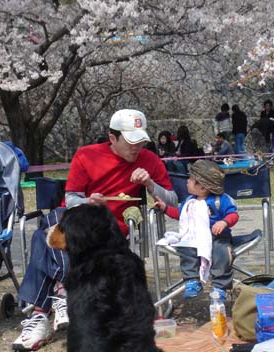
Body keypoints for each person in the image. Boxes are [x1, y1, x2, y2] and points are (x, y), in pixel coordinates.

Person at [13, 109, 177, 351]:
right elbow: (70, 199)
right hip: (79, 222)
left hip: (111, 233)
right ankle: (59, 293)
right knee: (47, 230)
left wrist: (150, 184)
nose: (137, 148)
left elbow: (173, 201)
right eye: (131, 142)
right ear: (113, 138)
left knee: (42, 235)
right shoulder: (87, 155)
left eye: (141, 142)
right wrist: (87, 201)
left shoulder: (149, 160)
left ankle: (43, 309)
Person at [154, 159, 239, 303]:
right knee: (185, 249)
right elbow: (180, 215)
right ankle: (192, 280)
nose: (187, 181)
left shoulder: (220, 200)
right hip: (194, 238)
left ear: (203, 187)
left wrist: (224, 222)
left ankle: (219, 287)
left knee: (221, 254)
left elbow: (234, 214)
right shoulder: (190, 201)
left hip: (218, 237)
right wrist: (165, 208)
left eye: (191, 179)